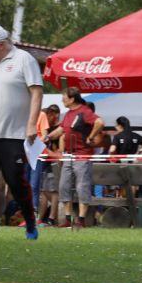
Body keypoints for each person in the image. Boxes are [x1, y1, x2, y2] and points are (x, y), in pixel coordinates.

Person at [0, 23, 43, 241]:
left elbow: (37, 92)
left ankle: (30, 222)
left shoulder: (24, 60)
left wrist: (32, 124)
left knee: (15, 182)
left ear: (2, 45)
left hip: (14, 136)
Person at [45, 87, 103, 230]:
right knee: (63, 186)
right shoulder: (68, 114)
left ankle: (81, 220)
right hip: (69, 155)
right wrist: (47, 137)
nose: (62, 100)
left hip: (82, 155)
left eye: (64, 97)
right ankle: (68, 219)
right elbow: (61, 130)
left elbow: (99, 123)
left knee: (82, 187)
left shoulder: (85, 111)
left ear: (72, 99)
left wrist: (91, 137)